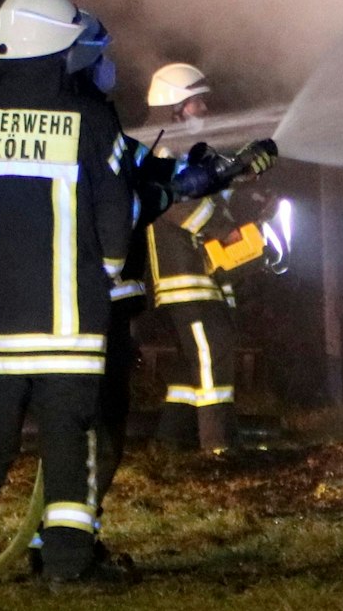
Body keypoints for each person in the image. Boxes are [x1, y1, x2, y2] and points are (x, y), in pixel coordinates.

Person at [0, 0, 133, 590]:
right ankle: (68, 566)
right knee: (71, 442)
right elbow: (114, 212)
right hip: (70, 322)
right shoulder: (89, 117)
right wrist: (109, 271)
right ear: (55, 48)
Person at [141, 63, 272, 453]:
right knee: (212, 351)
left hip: (205, 274)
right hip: (183, 276)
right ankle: (219, 446)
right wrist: (221, 229)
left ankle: (169, 442)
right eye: (196, 103)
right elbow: (172, 204)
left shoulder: (187, 150)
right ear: (173, 106)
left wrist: (245, 180)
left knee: (190, 362)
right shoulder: (162, 148)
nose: (204, 110)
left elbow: (212, 194)